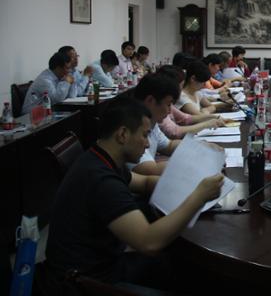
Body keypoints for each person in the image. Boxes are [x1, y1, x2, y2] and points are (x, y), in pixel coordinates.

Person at [43, 97, 224, 293]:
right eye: (145, 135)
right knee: (184, 270)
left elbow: (145, 182)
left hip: (104, 260)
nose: (147, 144)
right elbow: (149, 242)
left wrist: (189, 183)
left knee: (176, 262)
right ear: (122, 134)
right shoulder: (101, 180)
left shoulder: (100, 157)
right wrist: (198, 196)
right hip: (87, 282)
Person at [157, 65, 226, 139]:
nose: (180, 90)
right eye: (180, 86)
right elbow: (174, 132)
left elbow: (186, 118)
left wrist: (212, 117)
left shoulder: (169, 104)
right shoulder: (162, 105)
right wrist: (207, 124)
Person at [133, 73, 182, 176]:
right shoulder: (132, 127)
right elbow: (151, 170)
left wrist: (197, 146)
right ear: (150, 100)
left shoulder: (151, 122)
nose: (170, 111)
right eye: (168, 104)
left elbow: (169, 146)